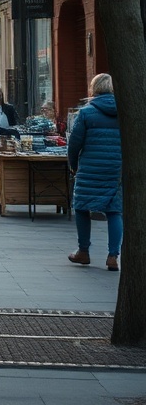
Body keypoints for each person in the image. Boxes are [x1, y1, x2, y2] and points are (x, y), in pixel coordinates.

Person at [66, 73, 123, 271]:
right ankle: (113, 256)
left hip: (90, 168)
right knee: (115, 210)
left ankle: (83, 251)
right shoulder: (125, 111)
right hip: (116, 168)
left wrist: (73, 164)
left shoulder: (87, 112)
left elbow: (74, 143)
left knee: (82, 207)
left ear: (94, 89)